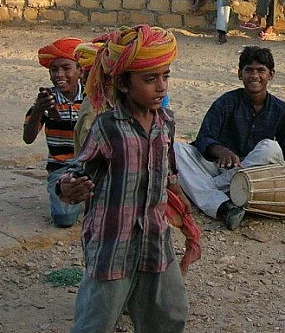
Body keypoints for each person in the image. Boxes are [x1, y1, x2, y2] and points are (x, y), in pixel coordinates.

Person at [57, 25, 190, 333]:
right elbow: (77, 169)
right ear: (123, 84)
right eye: (150, 79)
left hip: (154, 239)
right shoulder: (107, 127)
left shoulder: (166, 122)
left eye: (165, 77)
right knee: (98, 319)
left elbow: (167, 168)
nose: (161, 87)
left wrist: (181, 202)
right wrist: (68, 187)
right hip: (113, 243)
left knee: (169, 313)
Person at [174, 46, 285, 230]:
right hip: (219, 167)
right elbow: (203, 138)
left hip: (253, 173)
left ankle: (211, 190)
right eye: (249, 70)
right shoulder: (225, 102)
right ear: (240, 74)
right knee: (177, 149)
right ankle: (223, 205)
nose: (254, 76)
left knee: (271, 148)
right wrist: (221, 151)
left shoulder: (281, 110)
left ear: (271, 75)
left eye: (261, 70)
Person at [23, 37, 85, 228]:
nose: (59, 75)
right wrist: (38, 111)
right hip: (61, 167)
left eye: (66, 68)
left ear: (80, 71)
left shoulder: (91, 97)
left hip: (90, 165)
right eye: (54, 70)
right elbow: (28, 138)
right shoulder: (47, 99)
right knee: (64, 219)